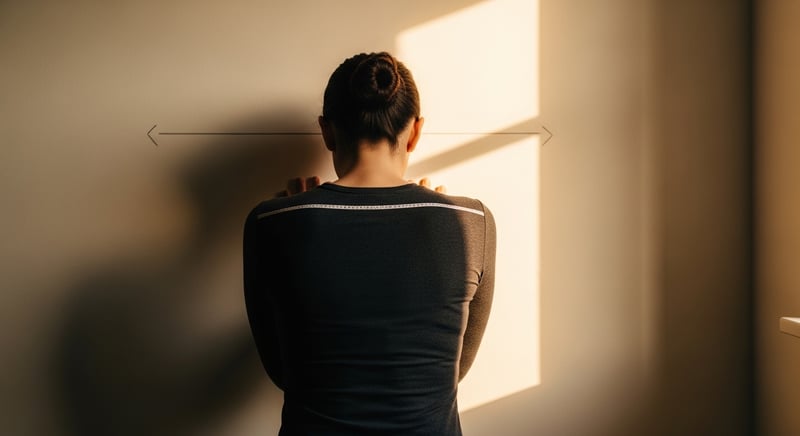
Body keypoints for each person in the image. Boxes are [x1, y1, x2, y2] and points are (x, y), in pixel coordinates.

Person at [243, 52, 496, 435]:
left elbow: (284, 372)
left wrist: (296, 219)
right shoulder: (472, 223)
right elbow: (450, 369)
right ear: (415, 132)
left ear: (327, 131)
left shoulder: (271, 222)